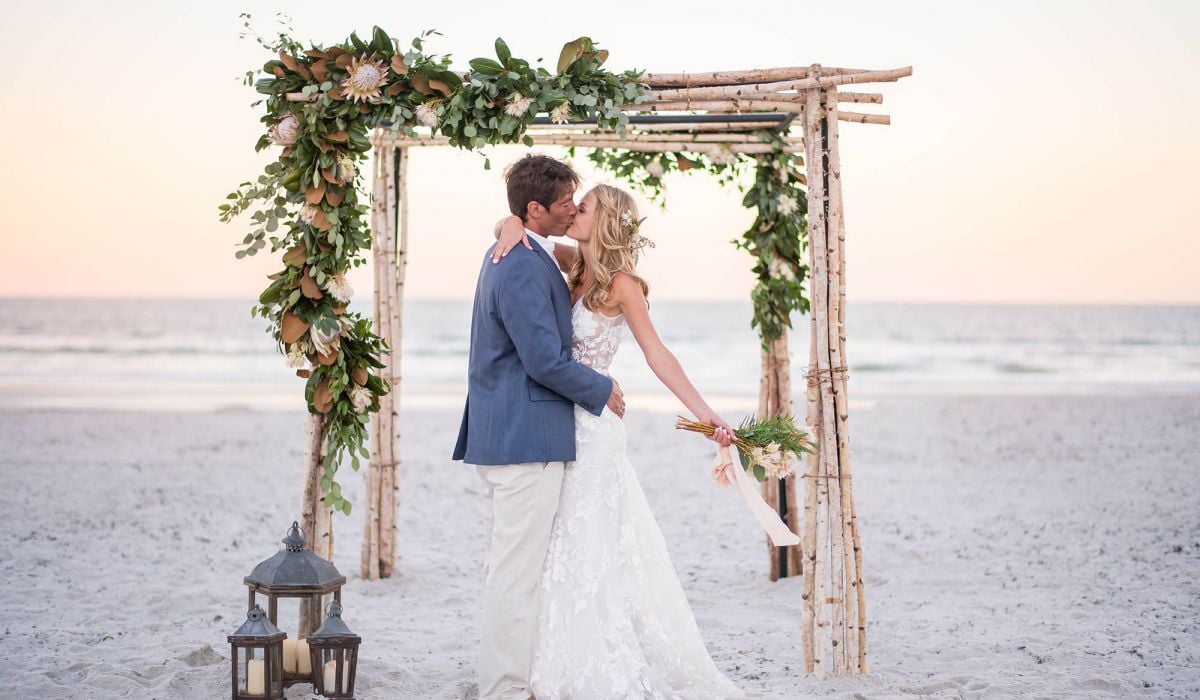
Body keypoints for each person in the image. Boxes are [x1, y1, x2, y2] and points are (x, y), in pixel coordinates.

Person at [492, 182, 745, 699]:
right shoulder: (572, 266)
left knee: (589, 544)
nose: (570, 212)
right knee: (555, 545)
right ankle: (545, 662)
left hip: (595, 430)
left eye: (580, 208)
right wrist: (511, 222)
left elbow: (657, 354)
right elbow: (514, 233)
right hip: (558, 421)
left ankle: (588, 668)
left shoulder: (622, 284)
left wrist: (706, 413)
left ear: (603, 220)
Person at [452, 155, 626, 700]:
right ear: (533, 210)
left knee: (514, 567)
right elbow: (543, 362)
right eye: (564, 203)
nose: (573, 208)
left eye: (579, 201)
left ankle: (516, 679)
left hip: (508, 434)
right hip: (523, 440)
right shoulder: (523, 263)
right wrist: (603, 391)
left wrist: (504, 223)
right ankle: (504, 689)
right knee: (514, 574)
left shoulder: (518, 247)